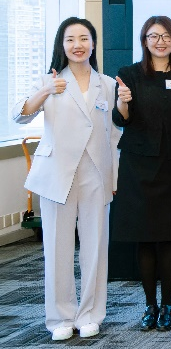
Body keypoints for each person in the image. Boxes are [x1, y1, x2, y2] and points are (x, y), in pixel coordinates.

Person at [12, 17, 121, 341]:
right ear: (62, 44)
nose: (78, 45)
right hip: (57, 173)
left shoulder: (107, 83)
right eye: (71, 39)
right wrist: (47, 90)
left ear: (93, 44)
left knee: (95, 248)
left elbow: (114, 135)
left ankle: (90, 314)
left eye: (84, 38)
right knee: (57, 249)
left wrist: (114, 177)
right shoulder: (49, 80)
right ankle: (60, 317)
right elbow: (20, 114)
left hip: (96, 173)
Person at [110, 16, 171, 332]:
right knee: (144, 239)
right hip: (137, 166)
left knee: (169, 238)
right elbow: (121, 120)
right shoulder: (129, 74)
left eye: (166, 36)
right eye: (153, 36)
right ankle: (150, 304)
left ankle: (168, 305)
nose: (160, 42)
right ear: (144, 40)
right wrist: (123, 103)